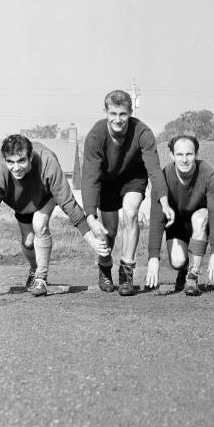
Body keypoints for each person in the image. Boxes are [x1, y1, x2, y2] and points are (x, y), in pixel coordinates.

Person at [0, 134, 109, 297]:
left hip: (45, 195)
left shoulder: (47, 161)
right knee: (28, 242)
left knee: (40, 224)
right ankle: (34, 270)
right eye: (11, 162)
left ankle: (41, 278)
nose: (16, 167)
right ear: (5, 159)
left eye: (21, 161)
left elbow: (68, 203)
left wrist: (92, 241)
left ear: (30, 156)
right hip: (20, 203)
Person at [82, 90, 174, 296]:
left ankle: (126, 272)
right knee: (109, 231)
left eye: (123, 114)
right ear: (105, 111)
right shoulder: (96, 135)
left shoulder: (143, 132)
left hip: (133, 178)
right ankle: (105, 267)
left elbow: (154, 170)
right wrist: (90, 216)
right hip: (106, 183)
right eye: (113, 113)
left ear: (130, 112)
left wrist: (165, 202)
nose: (118, 119)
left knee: (130, 212)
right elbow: (89, 178)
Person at [145, 135, 214, 295]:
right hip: (177, 225)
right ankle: (184, 268)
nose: (184, 160)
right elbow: (156, 220)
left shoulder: (210, 175)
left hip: (202, 221)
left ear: (195, 154)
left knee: (199, 219)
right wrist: (153, 257)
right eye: (179, 155)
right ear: (172, 155)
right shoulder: (163, 179)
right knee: (177, 261)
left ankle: (193, 276)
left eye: (189, 154)